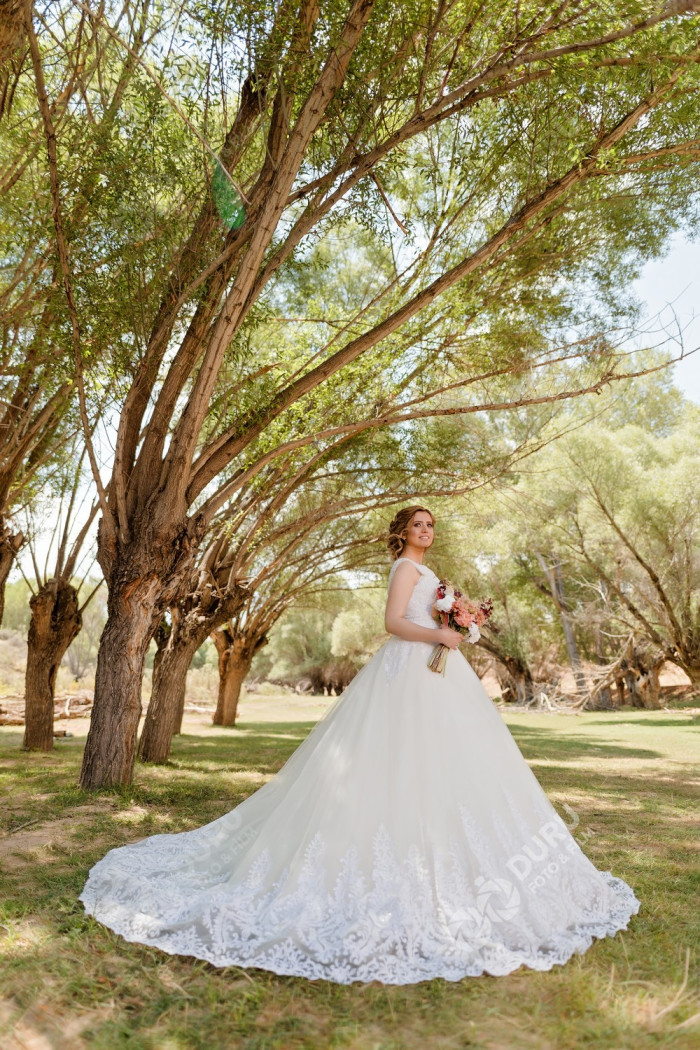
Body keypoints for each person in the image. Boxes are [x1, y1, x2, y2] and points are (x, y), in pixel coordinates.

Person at [80, 506, 640, 984]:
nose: (427, 530)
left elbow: (431, 615)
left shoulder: (430, 572)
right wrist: (443, 633)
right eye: (419, 525)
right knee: (392, 757)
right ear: (401, 533)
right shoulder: (403, 568)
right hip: (407, 670)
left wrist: (460, 624)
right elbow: (395, 622)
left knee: (452, 764)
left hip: (440, 678)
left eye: (431, 525)